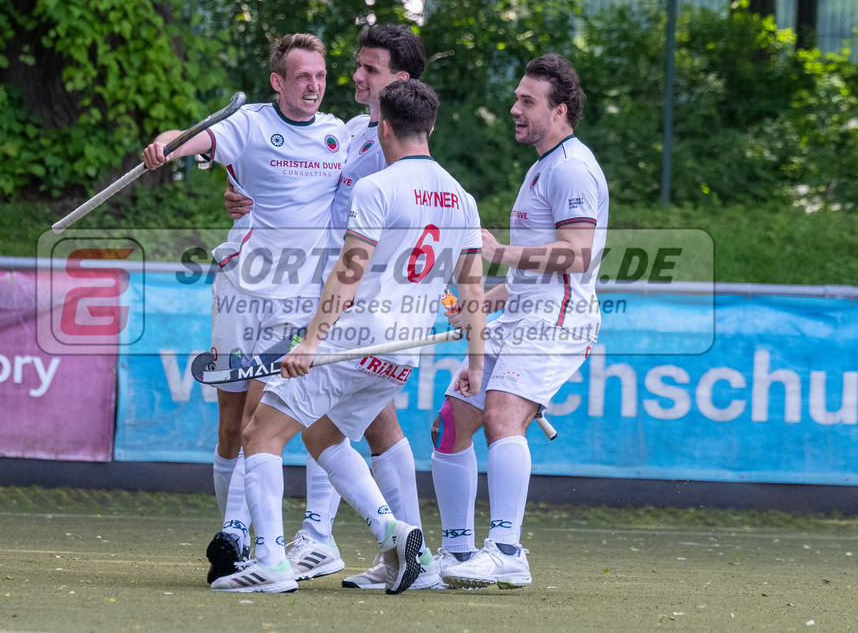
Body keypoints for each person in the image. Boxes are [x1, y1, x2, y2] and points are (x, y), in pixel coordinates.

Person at [210, 79, 486, 594]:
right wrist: (475, 360)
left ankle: (270, 563)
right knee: (322, 434)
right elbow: (470, 286)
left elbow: (349, 270)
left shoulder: (377, 187)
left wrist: (311, 341)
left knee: (260, 435)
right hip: (403, 351)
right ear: (430, 127)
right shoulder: (461, 197)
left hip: (354, 339)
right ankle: (406, 545)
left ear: (384, 127)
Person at [141, 33, 346, 584]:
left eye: (321, 77)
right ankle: (233, 533)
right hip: (240, 286)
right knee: (230, 420)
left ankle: (254, 542)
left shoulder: (338, 135)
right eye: (303, 76)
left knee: (261, 413)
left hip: (297, 296)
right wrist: (166, 147)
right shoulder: (251, 124)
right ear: (278, 81)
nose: (315, 86)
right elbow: (196, 138)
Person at [433, 53, 609, 590]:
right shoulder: (542, 165)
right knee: (452, 422)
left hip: (560, 319)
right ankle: (459, 555)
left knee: (502, 414)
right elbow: (541, 265)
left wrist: (499, 252)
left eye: (527, 102)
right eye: (516, 98)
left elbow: (577, 256)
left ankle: (507, 550)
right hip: (527, 310)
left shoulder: (572, 168)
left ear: (559, 111)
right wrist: (490, 298)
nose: (514, 108)